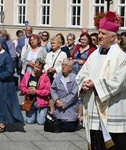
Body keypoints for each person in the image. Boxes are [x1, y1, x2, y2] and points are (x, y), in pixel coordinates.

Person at [76, 11, 126, 150]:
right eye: (99, 32)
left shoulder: (121, 57)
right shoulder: (94, 55)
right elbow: (81, 74)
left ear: (112, 37)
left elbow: (119, 82)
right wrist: (84, 84)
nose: (99, 36)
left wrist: (95, 85)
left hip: (113, 112)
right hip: (93, 111)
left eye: (103, 33)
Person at [0, 36, 24, 133]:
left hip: (4, 84)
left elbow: (10, 71)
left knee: (3, 103)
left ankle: (3, 124)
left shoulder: (6, 56)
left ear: (2, 44)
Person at [50, 58, 80, 132]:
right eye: (62, 65)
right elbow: (53, 89)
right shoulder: (58, 76)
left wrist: (63, 102)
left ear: (70, 68)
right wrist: (56, 100)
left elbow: (74, 94)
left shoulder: (74, 78)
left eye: (66, 65)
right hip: (58, 106)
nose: (63, 67)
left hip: (70, 107)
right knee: (57, 125)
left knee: (69, 127)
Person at [20, 58, 51, 125]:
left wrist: (36, 92)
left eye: (39, 68)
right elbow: (22, 87)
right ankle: (35, 114)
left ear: (42, 69)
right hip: (30, 102)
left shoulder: (45, 77)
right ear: (34, 66)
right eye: (36, 67)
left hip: (41, 103)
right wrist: (28, 91)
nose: (37, 69)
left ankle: (44, 113)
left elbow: (48, 91)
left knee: (41, 122)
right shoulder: (27, 75)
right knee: (29, 121)